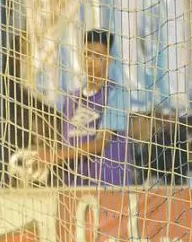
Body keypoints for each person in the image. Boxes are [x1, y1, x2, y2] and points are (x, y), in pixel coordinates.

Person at [40, 29, 132, 186]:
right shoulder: (71, 99)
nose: (90, 60)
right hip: (75, 188)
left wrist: (55, 156)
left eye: (97, 56)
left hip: (109, 188)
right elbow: (68, 143)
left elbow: (100, 143)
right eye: (87, 54)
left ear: (109, 59)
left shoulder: (118, 95)